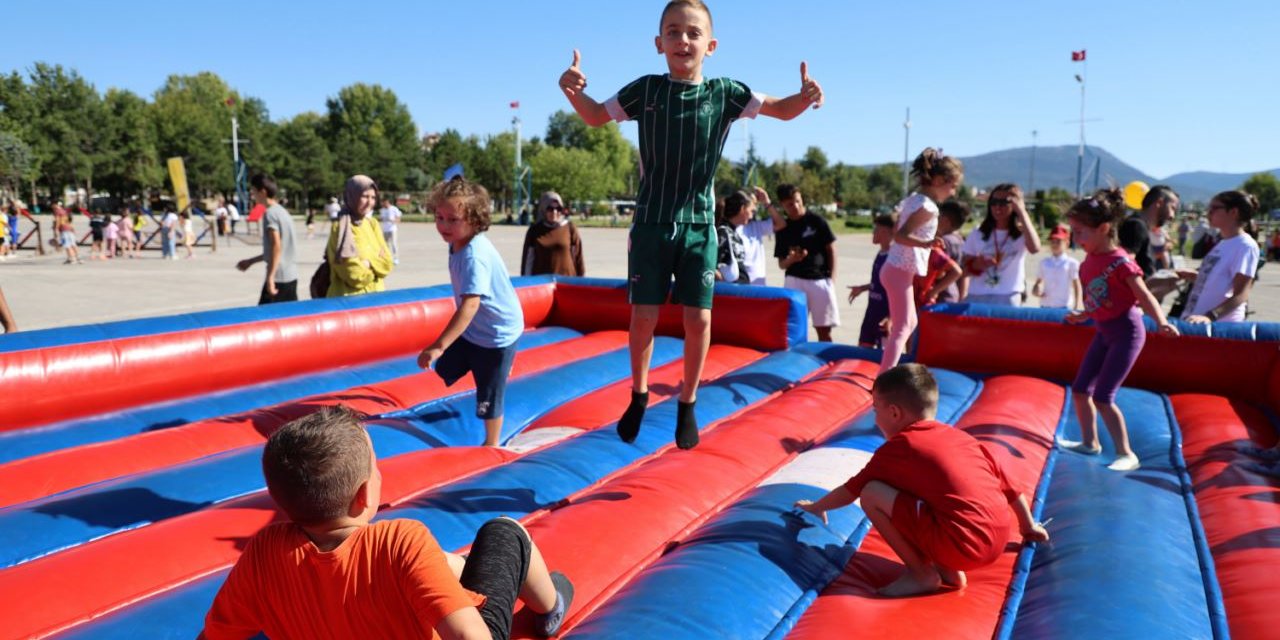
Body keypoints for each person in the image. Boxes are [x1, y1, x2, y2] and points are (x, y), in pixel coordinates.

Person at [558, 0, 824, 449]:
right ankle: (639, 395)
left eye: (693, 33)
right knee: (643, 316)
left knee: (699, 318)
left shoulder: (724, 93)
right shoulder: (646, 91)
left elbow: (780, 109)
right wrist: (570, 89)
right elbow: (594, 115)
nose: (683, 40)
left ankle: (687, 401)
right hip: (652, 222)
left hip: (700, 224)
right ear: (659, 43)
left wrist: (806, 96)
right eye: (674, 32)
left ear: (711, 45)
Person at [199, 405, 574, 640]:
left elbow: (215, 635)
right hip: (441, 604)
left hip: (404, 576)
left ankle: (460, 573)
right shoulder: (399, 541)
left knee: (443, 562)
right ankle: (549, 607)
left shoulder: (263, 552)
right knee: (504, 532)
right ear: (364, 494)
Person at [794, 364, 1050, 597]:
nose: (875, 417)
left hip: (961, 545)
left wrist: (816, 507)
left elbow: (853, 489)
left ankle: (921, 574)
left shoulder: (902, 445)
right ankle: (947, 570)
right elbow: (1011, 489)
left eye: (875, 409)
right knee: (930, 496)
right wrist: (1028, 528)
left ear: (894, 413)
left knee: (872, 492)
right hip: (997, 542)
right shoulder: (963, 439)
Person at [1058, 189, 1179, 472]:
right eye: (1073, 232)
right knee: (1079, 390)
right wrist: (1084, 314)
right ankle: (1090, 442)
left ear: (1103, 229)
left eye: (1080, 232)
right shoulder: (1087, 263)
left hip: (1127, 333)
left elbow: (1144, 295)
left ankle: (1127, 453)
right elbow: (1097, 298)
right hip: (1103, 331)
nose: (1077, 239)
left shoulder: (1121, 262)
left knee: (1102, 396)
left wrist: (1161, 321)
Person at [418, 177, 524, 448]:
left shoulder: (474, 255)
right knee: (445, 370)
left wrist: (439, 345)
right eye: (439, 217)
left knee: (488, 394)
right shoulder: (457, 242)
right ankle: (486, 367)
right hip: (477, 329)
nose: (443, 226)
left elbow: (470, 304)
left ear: (475, 220)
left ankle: (492, 443)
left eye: (452, 220)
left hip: (496, 334)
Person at [878, 148, 959, 373]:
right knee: (902, 327)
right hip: (897, 272)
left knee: (909, 323)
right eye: (952, 186)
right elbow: (900, 235)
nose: (953, 193)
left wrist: (928, 242)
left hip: (897, 271)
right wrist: (926, 244)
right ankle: (883, 379)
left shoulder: (915, 200)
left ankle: (888, 373)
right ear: (940, 180)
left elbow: (900, 230)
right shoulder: (928, 208)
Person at [1177, 190, 1261, 323]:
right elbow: (1220, 280)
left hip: (1218, 326)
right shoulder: (1222, 243)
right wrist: (1195, 276)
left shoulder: (1246, 246)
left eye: (1214, 208)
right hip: (1195, 321)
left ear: (1233, 212)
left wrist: (1210, 316)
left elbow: (1241, 294)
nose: (1208, 213)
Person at [775, 184, 839, 342]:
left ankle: (826, 362)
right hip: (794, 282)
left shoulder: (816, 221)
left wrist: (832, 279)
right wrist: (792, 259)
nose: (795, 206)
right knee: (793, 330)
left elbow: (831, 249)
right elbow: (782, 264)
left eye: (797, 201)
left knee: (824, 331)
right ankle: (795, 363)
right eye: (790, 204)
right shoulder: (783, 227)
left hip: (819, 280)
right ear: (782, 205)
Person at [962, 183, 1042, 306]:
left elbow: (1035, 248)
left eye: (1004, 202)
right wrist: (977, 265)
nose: (997, 207)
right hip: (977, 295)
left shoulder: (1022, 234)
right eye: (993, 202)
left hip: (1008, 296)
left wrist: (1022, 212)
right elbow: (963, 270)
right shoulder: (978, 233)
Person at [326, 175, 394, 297]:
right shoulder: (340, 227)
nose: (369, 202)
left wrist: (367, 263)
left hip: (376, 299)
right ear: (352, 196)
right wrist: (376, 264)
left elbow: (388, 263)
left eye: (373, 197)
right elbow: (353, 274)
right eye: (364, 196)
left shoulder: (372, 224)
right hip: (349, 303)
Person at [236, 174, 300, 304]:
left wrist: (270, 278)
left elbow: (276, 246)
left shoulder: (270, 214)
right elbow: (275, 249)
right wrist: (251, 261)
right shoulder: (282, 212)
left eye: (253, 191)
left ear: (263, 192)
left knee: (265, 320)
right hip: (291, 276)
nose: (252, 195)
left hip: (278, 278)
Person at [1119, 185, 1180, 300]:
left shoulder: (1141, 227)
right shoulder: (1136, 226)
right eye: (1172, 208)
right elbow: (1122, 268)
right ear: (1159, 203)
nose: (1172, 216)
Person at [847, 213, 893, 348]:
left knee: (882, 357)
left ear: (885, 232)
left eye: (876, 229)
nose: (873, 233)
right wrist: (862, 288)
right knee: (863, 348)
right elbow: (880, 283)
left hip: (884, 316)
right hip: (871, 313)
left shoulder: (894, 259)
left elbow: (901, 292)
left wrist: (892, 318)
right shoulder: (881, 253)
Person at [521, 191, 585, 277]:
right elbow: (528, 261)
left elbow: (578, 257)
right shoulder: (534, 230)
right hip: (541, 283)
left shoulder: (569, 228)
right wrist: (526, 282)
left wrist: (580, 280)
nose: (554, 212)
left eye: (558, 209)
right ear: (543, 209)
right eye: (550, 209)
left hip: (567, 281)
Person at [735, 186, 786, 284]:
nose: (754, 208)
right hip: (739, 286)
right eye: (752, 204)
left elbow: (781, 224)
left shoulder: (756, 226)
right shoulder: (730, 229)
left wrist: (767, 202)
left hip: (758, 286)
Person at [1032, 224, 1082, 310]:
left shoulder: (1072, 263)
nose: (1054, 244)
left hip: (1063, 306)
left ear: (1067, 243)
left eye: (1058, 241)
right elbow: (1038, 281)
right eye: (1052, 241)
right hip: (1045, 305)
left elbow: (1077, 285)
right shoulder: (1044, 263)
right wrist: (1036, 289)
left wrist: (1077, 305)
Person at [714, 190, 752, 283]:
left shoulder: (734, 233)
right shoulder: (723, 232)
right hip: (731, 293)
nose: (751, 216)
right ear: (743, 209)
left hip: (740, 291)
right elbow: (709, 263)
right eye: (751, 211)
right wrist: (723, 282)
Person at [935, 200, 970, 302]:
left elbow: (939, 271)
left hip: (941, 295)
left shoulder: (944, 242)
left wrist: (933, 291)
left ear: (945, 220)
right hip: (954, 295)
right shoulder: (961, 241)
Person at [379, 196, 404, 265]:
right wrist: (382, 219)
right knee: (385, 244)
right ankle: (387, 258)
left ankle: (396, 258)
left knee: (393, 244)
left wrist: (394, 221)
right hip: (385, 229)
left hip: (392, 229)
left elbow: (399, 219)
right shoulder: (382, 210)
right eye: (383, 203)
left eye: (385, 203)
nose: (383, 204)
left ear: (388, 202)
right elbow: (380, 219)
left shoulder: (394, 209)